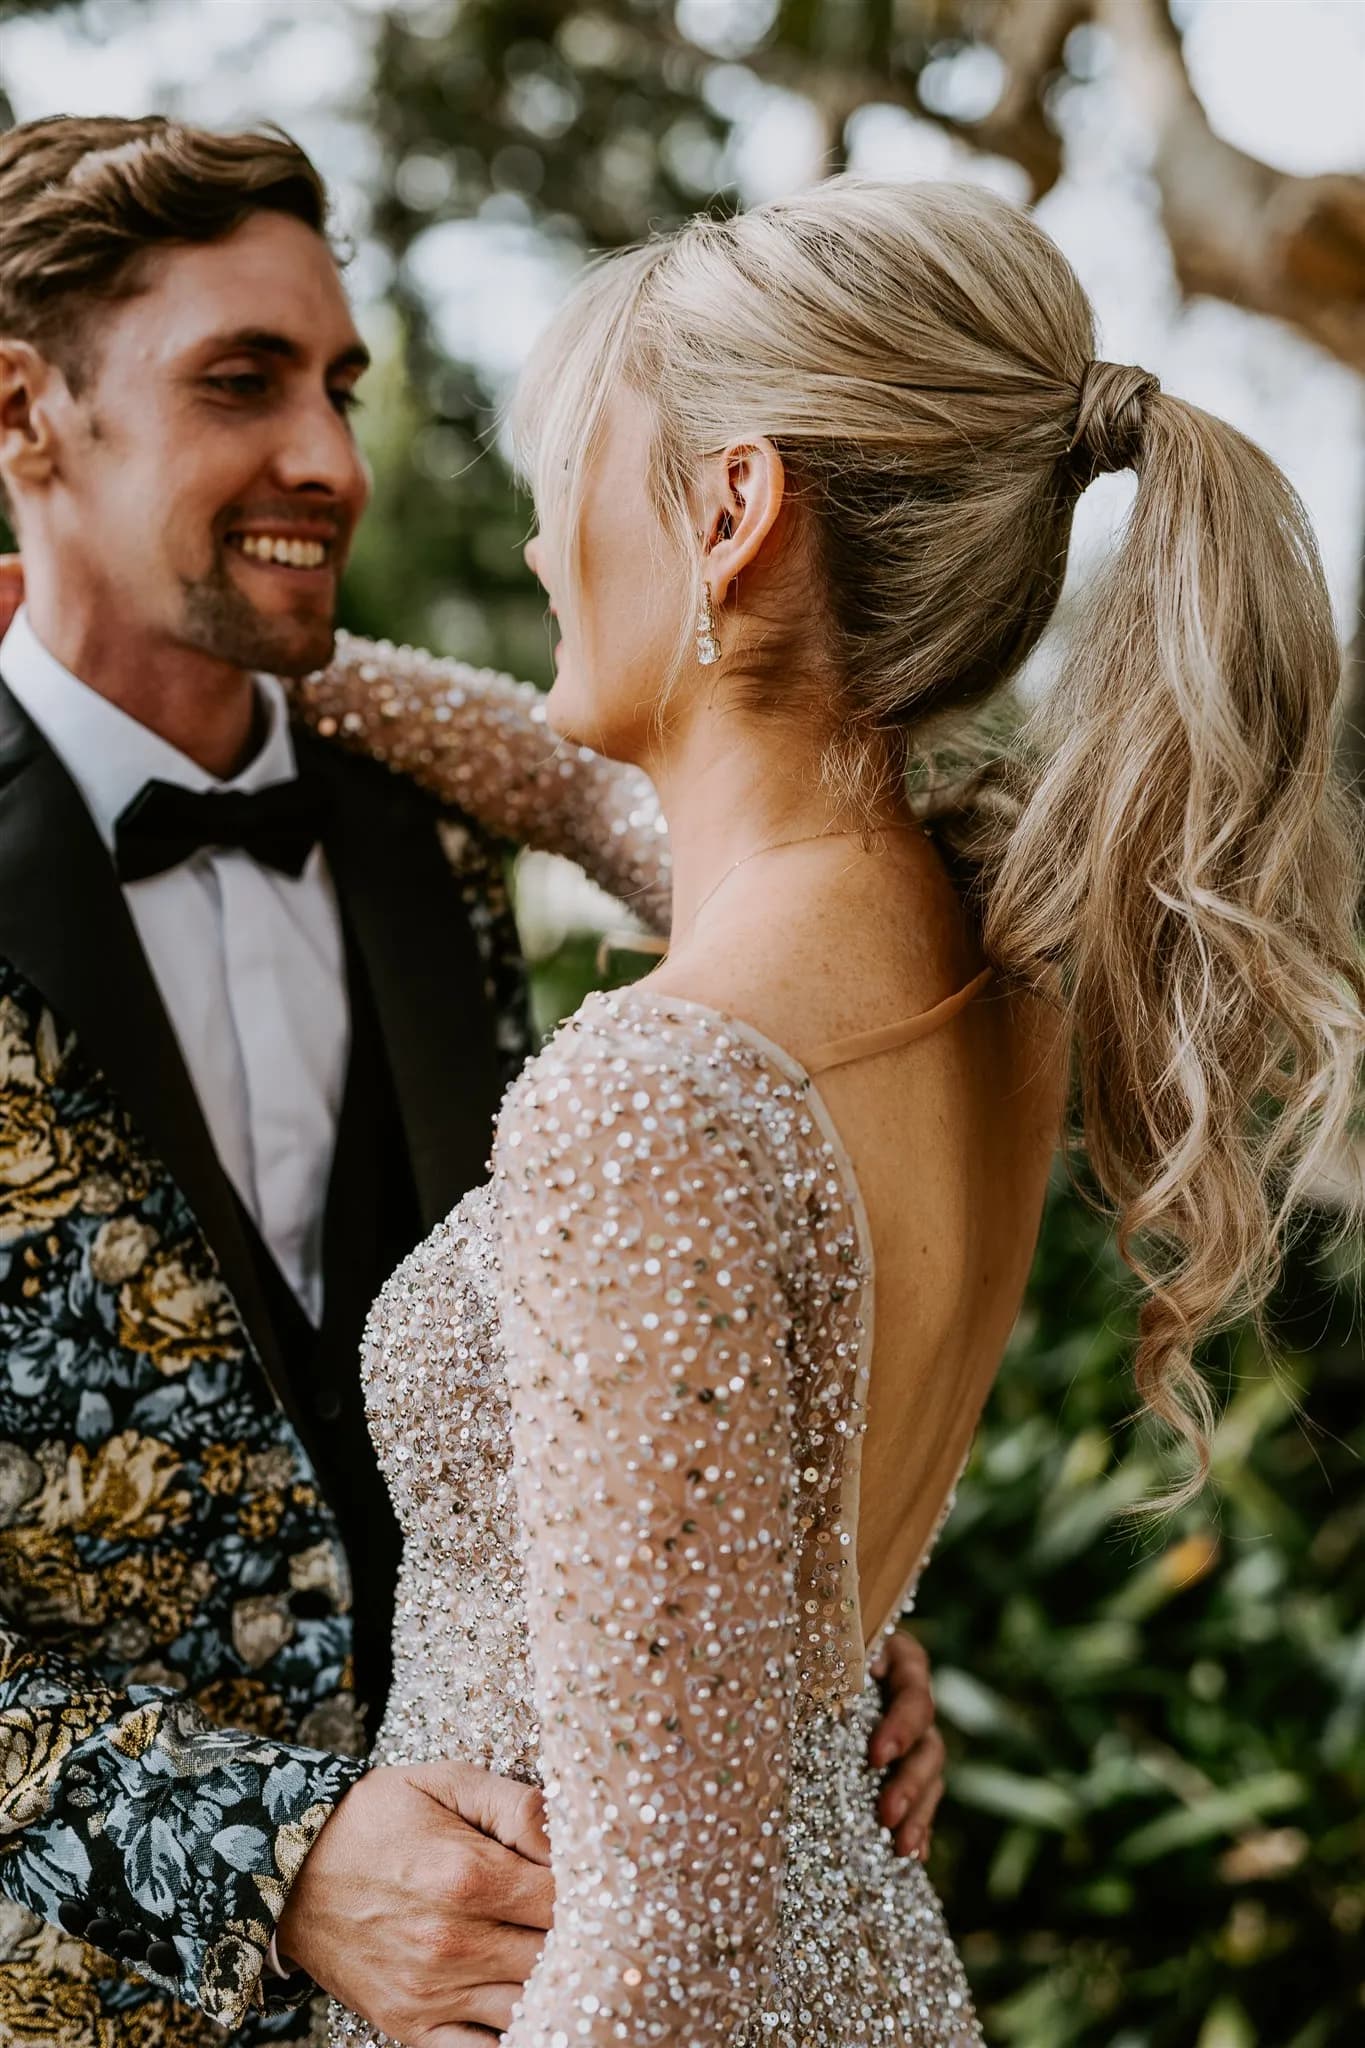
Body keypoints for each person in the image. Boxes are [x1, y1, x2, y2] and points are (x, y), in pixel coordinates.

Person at [284, 176, 1365, 2048]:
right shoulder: (982, 949)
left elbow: (661, 1972)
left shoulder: (654, 1097)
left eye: (568, 475)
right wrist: (275, 657)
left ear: (730, 507)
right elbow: (605, 808)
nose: (544, 545)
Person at [0, 118, 943, 2048]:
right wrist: (266, 1857)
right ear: (27, 414)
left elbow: (585, 1349)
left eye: (339, 384)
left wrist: (762, 1605)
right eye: (241, 383)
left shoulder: (435, 846)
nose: (332, 462)